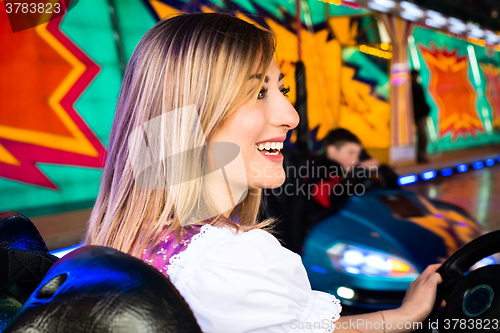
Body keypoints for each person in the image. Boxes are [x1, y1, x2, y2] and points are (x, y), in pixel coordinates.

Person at [85, 12, 442, 333]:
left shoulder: (135, 239)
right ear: (190, 117)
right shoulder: (232, 260)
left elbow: (299, 327)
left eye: (281, 89)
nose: (291, 116)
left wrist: (400, 316)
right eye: (258, 92)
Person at [411, 70, 431, 163]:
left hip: (421, 114)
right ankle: (420, 155)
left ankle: (421, 155)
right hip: (416, 115)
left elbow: (422, 100)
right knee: (422, 136)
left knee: (423, 136)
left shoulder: (418, 86)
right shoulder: (410, 87)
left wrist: (426, 110)